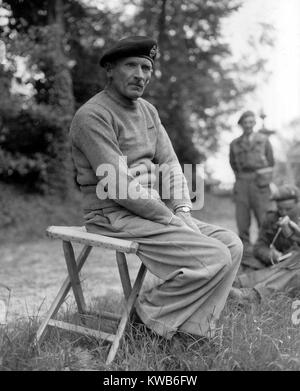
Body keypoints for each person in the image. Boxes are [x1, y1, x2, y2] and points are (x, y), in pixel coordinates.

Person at [69, 36, 243, 341]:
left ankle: (193, 331)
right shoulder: (92, 115)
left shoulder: (148, 111)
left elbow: (171, 164)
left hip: (151, 212)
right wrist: (171, 219)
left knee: (231, 245)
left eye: (146, 67)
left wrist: (183, 209)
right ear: (110, 69)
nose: (140, 75)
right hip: (110, 215)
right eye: (131, 65)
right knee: (214, 256)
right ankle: (145, 319)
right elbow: (119, 186)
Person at [233, 184, 300, 300]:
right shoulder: (272, 218)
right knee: (242, 250)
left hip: (292, 263)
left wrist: (294, 236)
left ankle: (250, 291)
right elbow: (260, 246)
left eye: (288, 209)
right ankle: (236, 283)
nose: (283, 213)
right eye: (280, 209)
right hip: (275, 262)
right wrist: (269, 254)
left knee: (293, 263)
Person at [229, 111, 275, 257]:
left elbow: (271, 161)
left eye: (250, 122)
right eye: (245, 122)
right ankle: (246, 252)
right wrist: (242, 177)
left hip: (260, 182)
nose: (248, 125)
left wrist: (263, 178)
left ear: (254, 123)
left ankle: (265, 249)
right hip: (242, 181)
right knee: (242, 219)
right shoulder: (234, 144)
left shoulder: (264, 140)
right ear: (241, 124)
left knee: (263, 217)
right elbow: (233, 164)